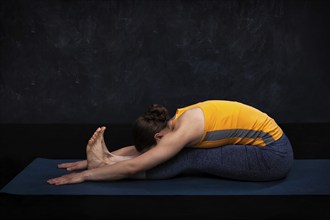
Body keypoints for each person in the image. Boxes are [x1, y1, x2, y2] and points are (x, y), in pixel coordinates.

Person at [47, 100, 294, 186]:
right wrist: (107, 155)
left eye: (156, 146)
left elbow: (136, 164)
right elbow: (142, 150)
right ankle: (107, 161)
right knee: (178, 152)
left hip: (273, 158)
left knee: (186, 156)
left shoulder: (183, 132)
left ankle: (105, 164)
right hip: (265, 147)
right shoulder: (175, 122)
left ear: (159, 137)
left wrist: (89, 174)